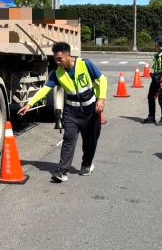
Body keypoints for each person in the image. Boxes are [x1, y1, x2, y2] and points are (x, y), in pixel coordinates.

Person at [18, 42, 108, 182]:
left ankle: (86, 164)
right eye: (55, 58)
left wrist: (101, 99)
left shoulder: (85, 64)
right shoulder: (57, 73)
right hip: (71, 112)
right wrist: (30, 103)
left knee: (90, 142)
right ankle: (62, 171)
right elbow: (45, 89)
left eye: (60, 58)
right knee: (68, 139)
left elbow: (102, 80)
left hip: (90, 111)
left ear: (69, 56)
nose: (57, 61)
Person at [143, 36, 162, 126]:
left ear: (159, 43)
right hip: (156, 79)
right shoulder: (159, 53)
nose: (154, 44)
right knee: (151, 97)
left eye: (155, 42)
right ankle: (151, 117)